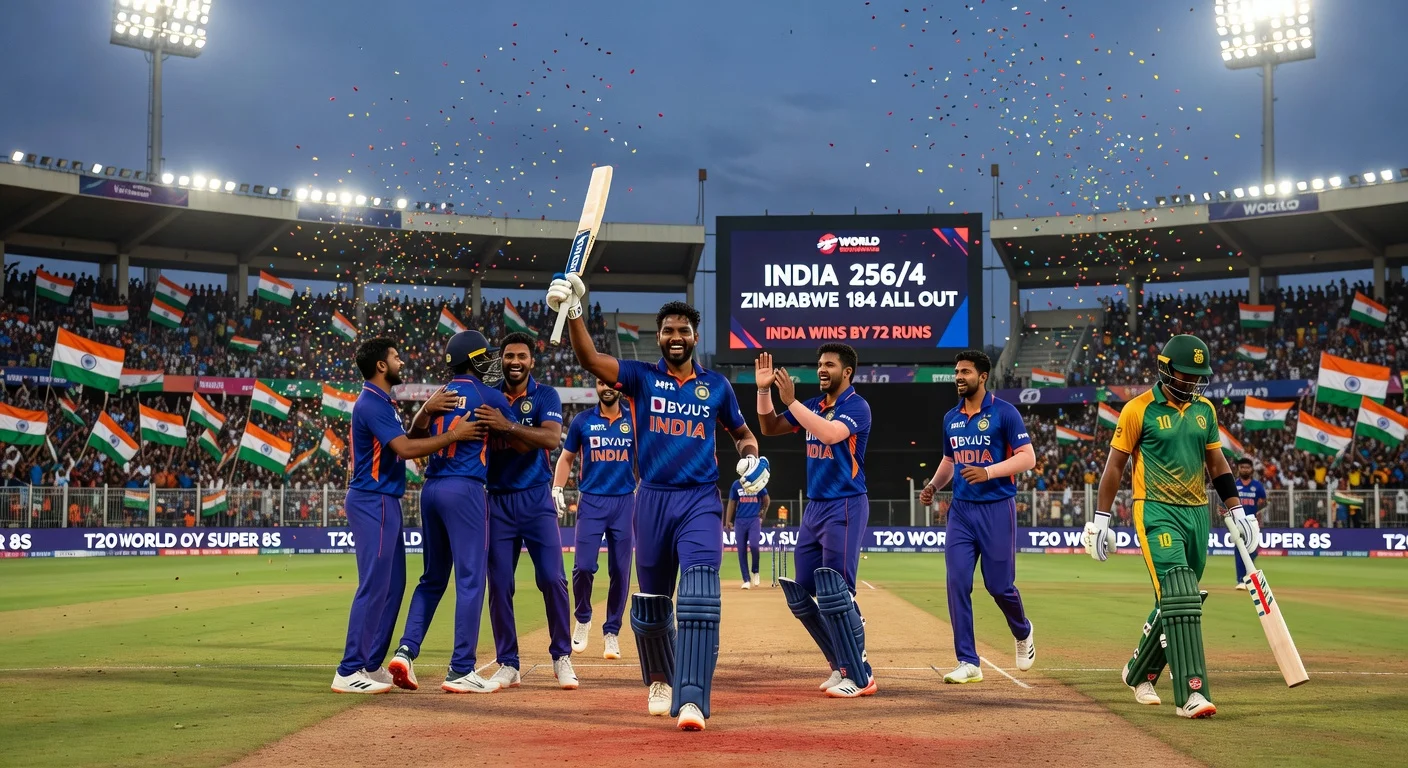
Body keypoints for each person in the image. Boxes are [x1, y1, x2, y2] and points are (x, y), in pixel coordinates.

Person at [550, 270, 765, 732]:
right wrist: (572, 309)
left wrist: (749, 459)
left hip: (700, 500)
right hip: (650, 501)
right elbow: (588, 356)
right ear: (659, 337)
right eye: (667, 330)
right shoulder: (640, 377)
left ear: (694, 337)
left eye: (682, 330)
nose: (674, 336)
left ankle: (692, 699)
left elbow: (745, 436)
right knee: (650, 605)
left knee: (700, 596)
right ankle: (660, 681)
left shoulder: (717, 387)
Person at [1084, 334, 1257, 718]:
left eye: (1200, 376)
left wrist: (1237, 510)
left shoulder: (1206, 411)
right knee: (1181, 597)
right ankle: (1191, 692)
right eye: (1186, 374)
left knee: (1175, 599)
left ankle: (1138, 671)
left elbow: (1217, 464)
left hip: (1198, 514)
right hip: (1155, 510)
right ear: (1165, 369)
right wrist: (1100, 520)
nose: (1193, 382)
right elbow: (1115, 465)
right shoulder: (1138, 409)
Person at [332, 337, 480, 695]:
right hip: (373, 500)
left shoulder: (383, 401)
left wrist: (425, 416)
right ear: (382, 365)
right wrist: (455, 435)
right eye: (396, 357)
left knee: (393, 585)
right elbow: (405, 447)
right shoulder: (372, 403)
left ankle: (370, 663)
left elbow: (403, 444)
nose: (401, 361)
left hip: (384, 501)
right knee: (374, 585)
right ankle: (348, 670)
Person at [388, 330, 514, 694]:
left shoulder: (438, 395)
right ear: (474, 360)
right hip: (466, 489)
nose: (491, 362)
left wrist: (427, 411)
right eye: (485, 357)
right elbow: (514, 437)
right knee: (471, 579)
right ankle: (461, 669)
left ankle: (405, 651)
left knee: (431, 578)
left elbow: (414, 435)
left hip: (432, 488)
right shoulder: (489, 396)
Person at [754, 344, 877, 698]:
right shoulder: (813, 406)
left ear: (847, 372)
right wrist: (765, 391)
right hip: (815, 508)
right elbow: (770, 427)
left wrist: (790, 401)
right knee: (803, 591)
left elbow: (830, 434)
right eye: (820, 364)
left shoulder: (857, 406)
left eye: (830, 365)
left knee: (838, 592)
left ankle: (861, 673)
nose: (822, 369)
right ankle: (840, 666)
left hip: (845, 505)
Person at [920, 350, 1037, 685]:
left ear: (983, 376)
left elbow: (1027, 458)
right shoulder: (951, 418)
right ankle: (968, 661)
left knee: (999, 586)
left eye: (966, 372)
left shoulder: (1005, 413)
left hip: (997, 508)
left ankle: (1022, 630)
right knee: (957, 582)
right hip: (961, 511)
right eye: (957, 371)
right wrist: (933, 485)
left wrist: (988, 473)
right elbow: (949, 460)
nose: (959, 377)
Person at [473, 331, 577, 690]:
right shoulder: (487, 395)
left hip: (536, 497)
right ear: (500, 360)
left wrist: (507, 426)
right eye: (508, 356)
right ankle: (508, 663)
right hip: (497, 500)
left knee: (552, 578)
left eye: (521, 356)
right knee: (500, 585)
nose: (514, 362)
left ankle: (562, 656)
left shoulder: (545, 394)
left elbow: (550, 438)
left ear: (532, 361)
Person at [553, 377, 637, 661]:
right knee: (584, 567)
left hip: (625, 501)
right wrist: (557, 487)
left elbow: (646, 458)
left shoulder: (634, 420)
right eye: (602, 383)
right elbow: (566, 458)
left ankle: (611, 631)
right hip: (591, 501)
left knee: (621, 571)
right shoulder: (582, 421)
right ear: (596, 387)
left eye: (612, 383)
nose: (607, 387)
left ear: (620, 387)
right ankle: (584, 617)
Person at [724, 478, 768, 590]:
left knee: (754, 545)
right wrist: (728, 520)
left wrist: (762, 514)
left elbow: (766, 500)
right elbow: (732, 503)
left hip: (754, 520)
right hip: (739, 521)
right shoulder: (736, 484)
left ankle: (755, 571)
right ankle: (746, 580)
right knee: (741, 550)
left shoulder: (757, 481)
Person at [1233, 457, 1266, 590]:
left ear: (1251, 469)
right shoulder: (1235, 485)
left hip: (1253, 523)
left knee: (1253, 551)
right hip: (1239, 523)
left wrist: (1259, 512)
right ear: (1239, 469)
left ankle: (1248, 575)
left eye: (1247, 467)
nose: (1245, 469)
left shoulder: (1257, 486)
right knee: (1240, 550)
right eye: (1242, 467)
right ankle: (1241, 580)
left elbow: (1263, 501)